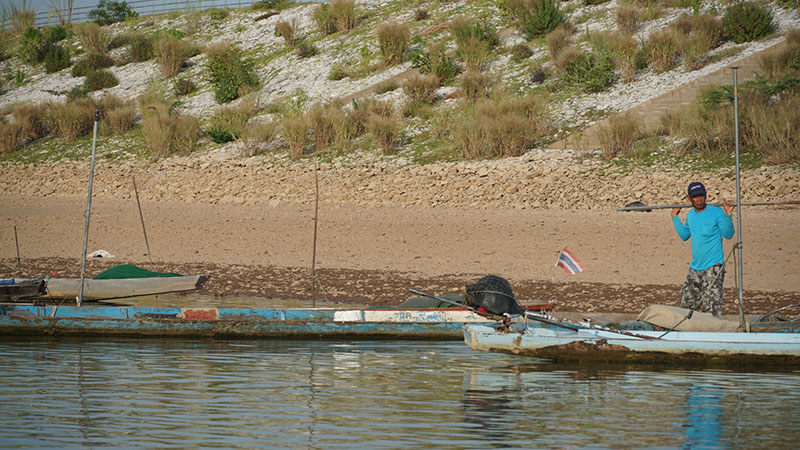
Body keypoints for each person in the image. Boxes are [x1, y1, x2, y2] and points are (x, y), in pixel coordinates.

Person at [671, 181, 735, 317]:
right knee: (687, 307)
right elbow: (684, 235)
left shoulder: (716, 212)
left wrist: (728, 215)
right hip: (695, 268)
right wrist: (675, 217)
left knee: (711, 309)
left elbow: (728, 234)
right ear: (689, 198)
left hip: (713, 267)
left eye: (701, 196)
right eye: (695, 197)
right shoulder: (691, 215)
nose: (699, 199)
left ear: (706, 195)